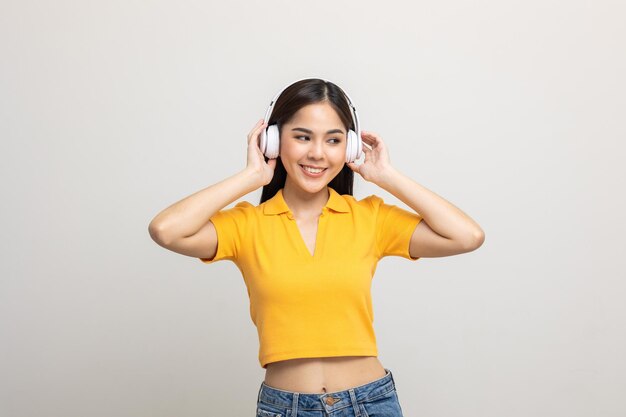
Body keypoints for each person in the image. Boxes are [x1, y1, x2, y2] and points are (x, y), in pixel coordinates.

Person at [148, 78, 485, 416]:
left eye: (334, 140)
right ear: (275, 140)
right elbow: (166, 230)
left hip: (370, 403)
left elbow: (466, 236)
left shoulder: (369, 218)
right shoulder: (247, 225)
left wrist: (387, 177)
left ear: (350, 148)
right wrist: (251, 176)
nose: (317, 153)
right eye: (302, 137)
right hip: (286, 407)